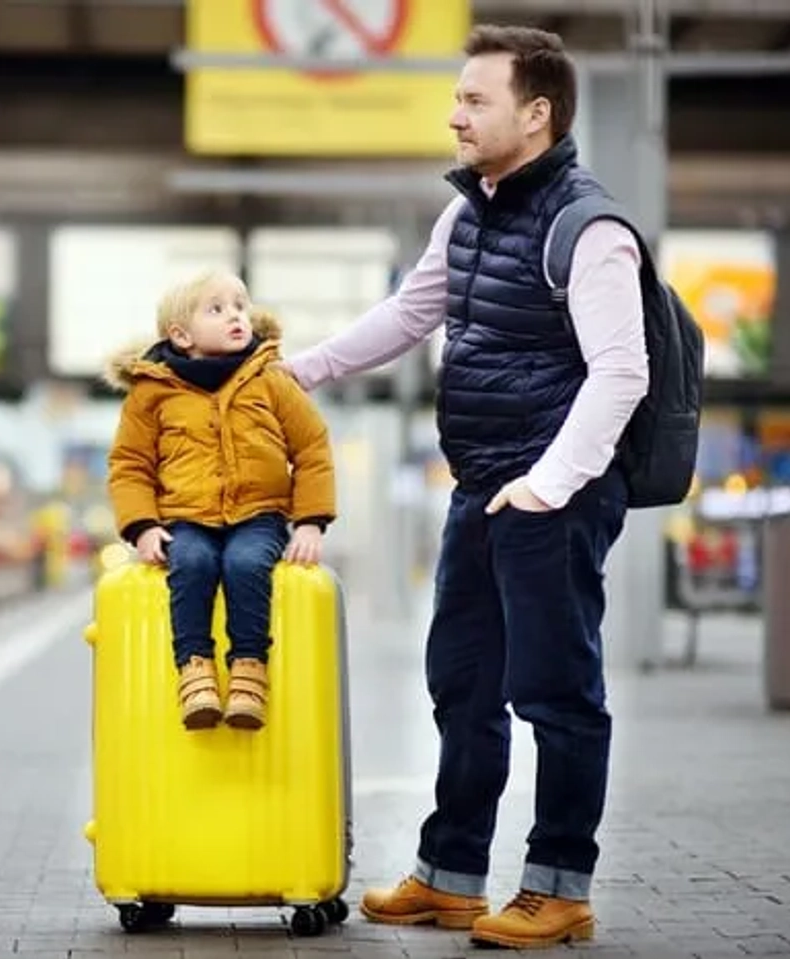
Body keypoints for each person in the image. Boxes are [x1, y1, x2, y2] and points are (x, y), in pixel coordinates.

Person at [281, 25, 649, 951]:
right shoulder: (469, 214)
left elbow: (622, 373)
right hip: (481, 484)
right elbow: (412, 311)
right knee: (462, 682)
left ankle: (558, 888)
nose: (455, 115)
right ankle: (451, 875)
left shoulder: (589, 229)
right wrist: (303, 369)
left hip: (553, 495)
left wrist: (547, 484)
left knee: (556, 692)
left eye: (475, 99)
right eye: (457, 97)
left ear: (537, 113)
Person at [105, 270, 336, 731]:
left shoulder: (270, 379)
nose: (236, 316)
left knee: (246, 564)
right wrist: (143, 526)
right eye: (217, 309)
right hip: (184, 518)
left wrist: (310, 522)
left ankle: (249, 671)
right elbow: (130, 464)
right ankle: (195, 671)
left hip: (259, 515)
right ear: (181, 335)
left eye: (240, 306)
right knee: (191, 562)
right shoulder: (151, 393)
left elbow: (311, 447)